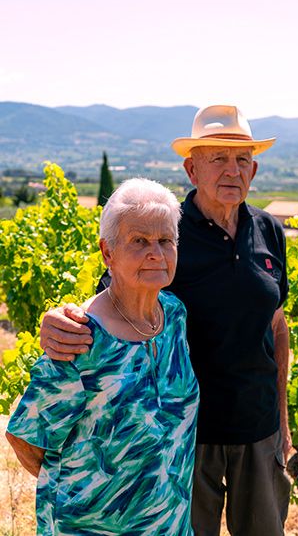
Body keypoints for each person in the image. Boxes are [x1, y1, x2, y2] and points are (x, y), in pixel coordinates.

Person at [40, 105, 292, 536]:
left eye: (242, 159)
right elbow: (109, 300)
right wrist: (58, 319)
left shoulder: (268, 231)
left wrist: (283, 423)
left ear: (253, 169)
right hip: (181, 436)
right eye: (218, 159)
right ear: (192, 169)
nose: (232, 170)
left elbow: (276, 327)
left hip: (258, 428)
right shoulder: (167, 234)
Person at [6, 178, 199, 535]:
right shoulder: (80, 339)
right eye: (139, 241)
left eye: (165, 240)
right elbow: (25, 438)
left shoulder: (173, 316)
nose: (156, 252)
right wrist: (88, 490)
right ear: (108, 253)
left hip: (170, 524)